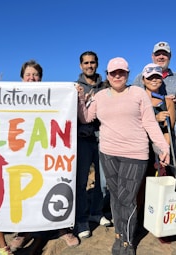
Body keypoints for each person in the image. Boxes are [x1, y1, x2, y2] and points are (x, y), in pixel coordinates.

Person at [76, 57, 170, 255]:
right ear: (108, 75)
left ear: (127, 74)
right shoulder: (100, 96)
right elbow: (86, 117)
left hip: (135, 154)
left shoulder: (137, 93)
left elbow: (150, 123)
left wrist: (162, 147)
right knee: (116, 198)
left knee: (127, 199)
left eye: (121, 72)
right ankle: (119, 235)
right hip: (108, 153)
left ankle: (127, 241)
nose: (117, 76)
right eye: (113, 73)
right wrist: (80, 100)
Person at [8, 60, 79, 253]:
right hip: (22, 153)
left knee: (53, 184)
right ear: (22, 78)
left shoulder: (52, 95)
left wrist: (75, 92)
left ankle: (62, 227)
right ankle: (24, 232)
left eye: (35, 75)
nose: (32, 78)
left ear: (41, 78)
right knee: (24, 190)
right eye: (28, 75)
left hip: (49, 150)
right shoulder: (12, 96)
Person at [74, 51, 112, 239]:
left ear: (97, 64)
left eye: (92, 62)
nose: (89, 65)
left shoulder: (106, 86)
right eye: (86, 63)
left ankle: (96, 212)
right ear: (81, 66)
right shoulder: (74, 87)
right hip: (82, 140)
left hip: (103, 138)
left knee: (103, 182)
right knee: (81, 181)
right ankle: (81, 219)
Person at [141, 63, 176, 176]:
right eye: (150, 77)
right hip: (140, 149)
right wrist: (154, 119)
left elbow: (168, 131)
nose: (154, 80)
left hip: (159, 151)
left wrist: (164, 152)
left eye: (157, 77)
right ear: (143, 80)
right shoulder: (136, 101)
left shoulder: (168, 102)